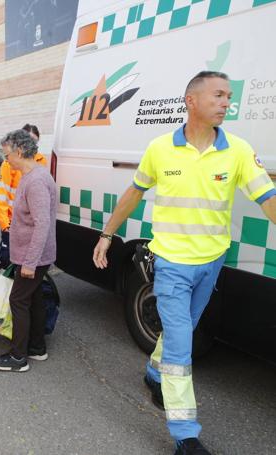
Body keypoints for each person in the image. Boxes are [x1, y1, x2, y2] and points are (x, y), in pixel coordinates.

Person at [92, 71, 276, 455]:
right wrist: (107, 235)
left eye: (229, 95)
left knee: (187, 328)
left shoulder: (238, 150)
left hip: (211, 262)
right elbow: (133, 194)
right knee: (180, 346)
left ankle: (153, 373)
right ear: (191, 101)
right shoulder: (160, 149)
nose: (227, 102)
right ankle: (184, 435)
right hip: (172, 265)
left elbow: (268, 198)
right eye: (219, 95)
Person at [0, 129, 57, 372]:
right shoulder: (31, 176)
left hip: (33, 257)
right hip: (31, 255)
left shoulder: (36, 181)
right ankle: (37, 348)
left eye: (7, 155)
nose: (5, 160)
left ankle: (18, 357)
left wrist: (29, 263)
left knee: (18, 300)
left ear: (19, 151)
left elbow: (42, 224)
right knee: (34, 299)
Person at [0, 123, 47, 266]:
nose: (31, 145)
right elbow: (2, 195)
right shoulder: (9, 163)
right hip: (12, 223)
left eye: (34, 141)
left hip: (30, 224)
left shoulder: (41, 161)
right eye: (27, 140)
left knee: (29, 264)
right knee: (8, 261)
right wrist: (5, 225)